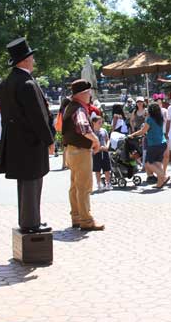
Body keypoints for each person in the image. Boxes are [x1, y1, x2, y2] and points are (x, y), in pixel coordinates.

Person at [0, 37, 54, 234]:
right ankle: (31, 223)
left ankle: (29, 220)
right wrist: (49, 140)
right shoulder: (27, 83)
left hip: (15, 142)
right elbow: (37, 116)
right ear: (25, 60)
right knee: (32, 181)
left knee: (25, 184)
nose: (34, 61)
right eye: (31, 57)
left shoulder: (6, 84)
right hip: (30, 142)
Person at [62, 79, 104, 231]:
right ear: (82, 94)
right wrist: (96, 140)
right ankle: (86, 220)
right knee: (84, 186)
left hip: (71, 151)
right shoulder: (79, 109)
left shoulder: (70, 107)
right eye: (88, 92)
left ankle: (76, 217)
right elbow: (83, 127)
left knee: (75, 186)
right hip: (80, 151)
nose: (90, 95)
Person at [129, 102, 170, 188]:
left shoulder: (150, 119)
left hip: (154, 144)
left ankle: (164, 176)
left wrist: (132, 135)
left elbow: (143, 131)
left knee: (148, 163)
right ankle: (160, 183)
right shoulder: (160, 118)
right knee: (157, 163)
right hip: (162, 143)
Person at [91, 116, 111, 190]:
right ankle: (99, 184)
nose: (101, 124)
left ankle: (108, 183)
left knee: (107, 168)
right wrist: (96, 148)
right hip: (96, 152)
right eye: (99, 122)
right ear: (94, 123)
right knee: (97, 169)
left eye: (101, 122)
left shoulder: (103, 130)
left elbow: (107, 139)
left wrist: (107, 146)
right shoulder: (91, 132)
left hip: (104, 151)